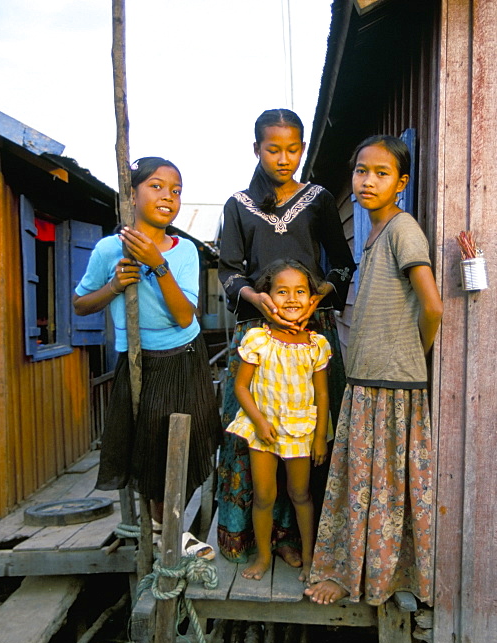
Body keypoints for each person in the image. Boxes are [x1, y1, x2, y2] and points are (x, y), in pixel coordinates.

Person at [304, 135, 443, 606]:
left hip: (391, 382)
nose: (367, 181)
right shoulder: (375, 233)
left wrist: (412, 353)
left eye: (381, 173)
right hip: (369, 379)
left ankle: (374, 578)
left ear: (400, 184)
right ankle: (357, 571)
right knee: (363, 484)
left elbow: (433, 307)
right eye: (361, 171)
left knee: (379, 488)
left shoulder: (403, 229)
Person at [217, 109, 356, 566]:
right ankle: (256, 541)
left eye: (292, 149)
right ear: (256, 148)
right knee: (257, 435)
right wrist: (258, 300)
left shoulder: (316, 199)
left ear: (301, 148)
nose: (283, 158)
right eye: (273, 149)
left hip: (310, 335)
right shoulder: (238, 204)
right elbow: (230, 273)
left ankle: (300, 539)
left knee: (310, 436)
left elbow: (341, 263)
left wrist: (318, 300)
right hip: (258, 334)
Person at [73, 157, 220, 558]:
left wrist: (158, 266)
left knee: (185, 441)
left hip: (185, 353)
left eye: (176, 191)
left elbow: (182, 314)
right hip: (140, 358)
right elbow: (81, 304)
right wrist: (114, 286)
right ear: (132, 194)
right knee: (152, 443)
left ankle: (171, 526)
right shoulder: (109, 248)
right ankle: (165, 529)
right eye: (156, 186)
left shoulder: (184, 251)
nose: (168, 197)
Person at [225, 259, 331, 582]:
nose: (292, 299)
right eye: (282, 292)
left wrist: (319, 438)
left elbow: (323, 396)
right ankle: (263, 556)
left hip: (301, 431)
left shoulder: (316, 345)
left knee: (300, 494)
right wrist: (258, 421)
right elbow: (241, 387)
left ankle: (311, 558)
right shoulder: (258, 339)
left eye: (300, 291)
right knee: (264, 496)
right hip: (263, 432)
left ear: (311, 298)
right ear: (267, 297)